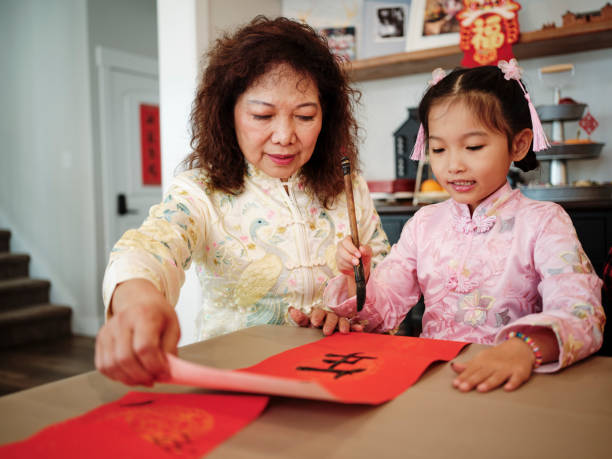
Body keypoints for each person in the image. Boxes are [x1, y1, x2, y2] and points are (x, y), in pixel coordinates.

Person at [95, 16, 390, 386]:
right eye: (262, 115)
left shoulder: (349, 187)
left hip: (340, 374)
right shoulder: (201, 191)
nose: (284, 135)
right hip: (237, 379)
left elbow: (388, 283)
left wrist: (349, 306)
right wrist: (137, 300)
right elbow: (151, 246)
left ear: (325, 118)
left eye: (305, 115)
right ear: (228, 114)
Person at [325, 60, 605, 392]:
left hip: (516, 380)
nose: (453, 165)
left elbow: (581, 308)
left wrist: (523, 349)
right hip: (432, 381)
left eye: (473, 147)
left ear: (518, 144)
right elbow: (381, 311)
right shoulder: (424, 224)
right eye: (439, 149)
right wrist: (356, 278)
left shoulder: (544, 221)